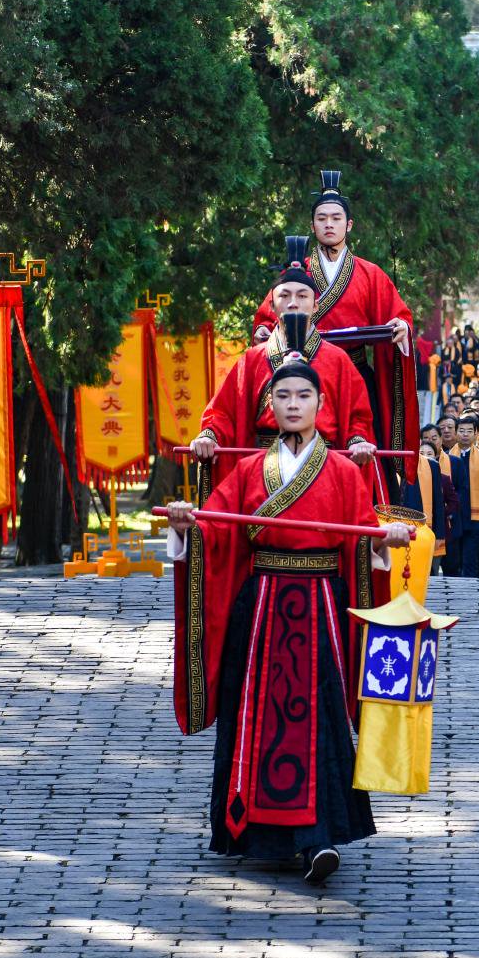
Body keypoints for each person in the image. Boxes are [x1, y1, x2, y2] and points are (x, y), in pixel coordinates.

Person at [163, 359, 414, 884]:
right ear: (270, 406)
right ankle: (252, 831)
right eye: (284, 396)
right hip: (260, 610)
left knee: (319, 717)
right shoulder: (250, 471)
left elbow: (360, 538)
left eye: (304, 395)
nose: (294, 404)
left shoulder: (345, 472)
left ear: (321, 407)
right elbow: (219, 528)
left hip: (321, 603)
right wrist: (190, 525)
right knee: (255, 713)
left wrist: (380, 541)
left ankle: (318, 838)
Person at [251, 171, 418, 477]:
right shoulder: (297, 275)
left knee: (359, 445)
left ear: (348, 225)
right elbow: (267, 316)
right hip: (302, 373)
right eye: (322, 218)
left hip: (354, 372)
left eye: (336, 218)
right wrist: (262, 329)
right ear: (312, 225)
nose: (329, 224)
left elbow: (400, 316)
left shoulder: (370, 274)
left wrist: (401, 328)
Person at [192, 240, 376, 494]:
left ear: (316, 305)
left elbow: (358, 416)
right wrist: (209, 436)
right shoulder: (253, 359)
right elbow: (224, 413)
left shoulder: (338, 360)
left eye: (302, 296)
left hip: (324, 468)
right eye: (284, 296)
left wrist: (358, 441)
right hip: (266, 468)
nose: (293, 303)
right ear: (272, 305)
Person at [444, 415, 479, 578]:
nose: (465, 434)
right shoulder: (447, 457)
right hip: (453, 516)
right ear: (456, 433)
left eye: (469, 431)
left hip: (475, 516)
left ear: (476, 434)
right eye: (461, 431)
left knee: (470, 558)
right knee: (453, 559)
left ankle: (470, 590)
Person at [399, 436, 455, 573]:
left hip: (423, 526)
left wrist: (440, 534)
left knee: (423, 570)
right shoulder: (389, 463)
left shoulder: (432, 465)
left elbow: (438, 503)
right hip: (396, 524)